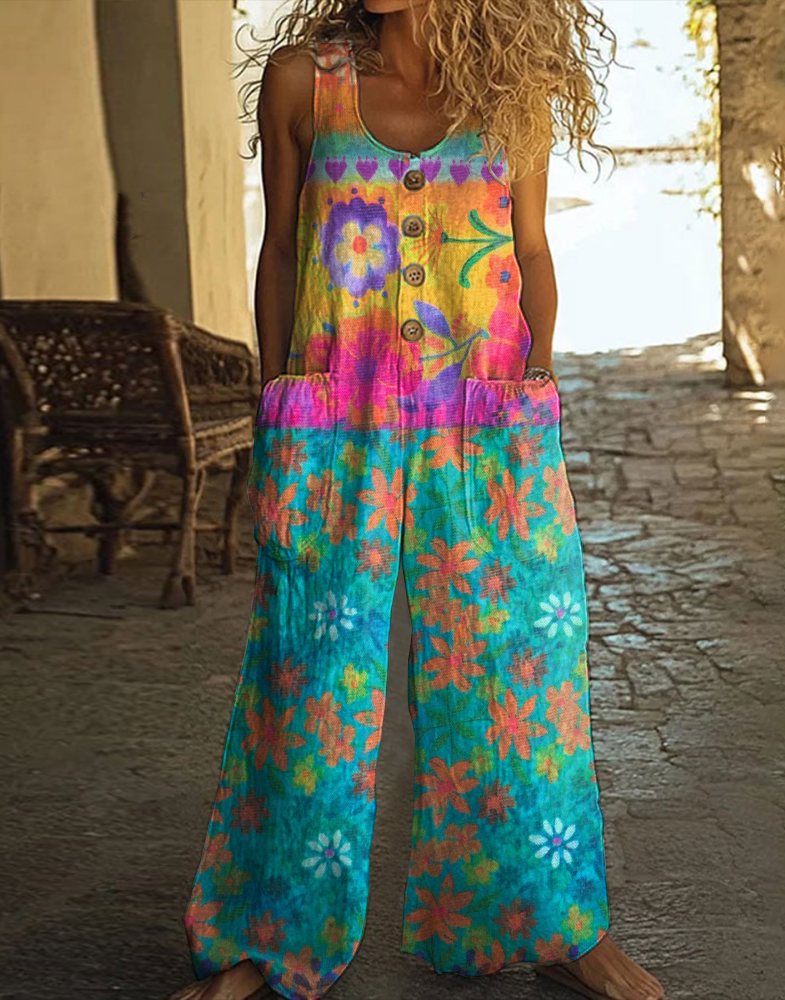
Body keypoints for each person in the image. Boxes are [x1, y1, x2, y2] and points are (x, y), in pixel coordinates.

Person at [170, 2, 665, 999]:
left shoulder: (512, 94)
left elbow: (531, 252)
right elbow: (281, 251)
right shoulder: (305, 82)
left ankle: (554, 924)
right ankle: (268, 939)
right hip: (334, 420)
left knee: (516, 672)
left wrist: (531, 391)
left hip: (484, 422)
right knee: (309, 675)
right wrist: (279, 405)